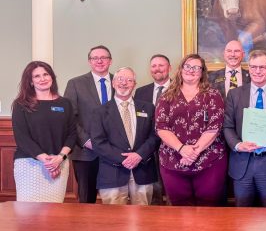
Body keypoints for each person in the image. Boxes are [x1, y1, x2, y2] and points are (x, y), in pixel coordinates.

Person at [155, 54, 227, 206]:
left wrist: (193, 153)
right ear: (181, 69)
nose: (191, 70)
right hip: (173, 161)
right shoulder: (166, 95)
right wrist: (182, 149)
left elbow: (214, 126)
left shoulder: (213, 95)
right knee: (180, 209)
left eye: (196, 67)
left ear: (202, 72)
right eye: (187, 66)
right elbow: (161, 126)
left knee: (209, 207)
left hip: (209, 161)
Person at [224, 49, 266, 207]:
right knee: (243, 212)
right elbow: (227, 126)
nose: (257, 71)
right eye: (253, 67)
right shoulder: (235, 94)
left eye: (262, 67)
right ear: (249, 68)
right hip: (242, 161)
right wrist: (238, 145)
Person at [90, 67, 160, 205]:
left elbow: (155, 136)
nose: (124, 83)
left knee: (143, 216)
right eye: (120, 79)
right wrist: (125, 159)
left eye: (129, 80)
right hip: (112, 172)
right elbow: (98, 142)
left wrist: (138, 155)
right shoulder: (100, 112)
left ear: (134, 84)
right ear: (113, 83)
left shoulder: (148, 108)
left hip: (143, 170)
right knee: (113, 217)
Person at [11, 61, 75, 202]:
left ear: (52, 77)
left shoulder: (65, 103)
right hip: (29, 164)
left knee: (54, 211)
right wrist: (47, 161)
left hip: (59, 162)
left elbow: (72, 134)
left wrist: (59, 158)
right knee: (28, 211)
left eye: (46, 74)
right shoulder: (21, 104)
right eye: (37, 76)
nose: (42, 79)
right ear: (31, 81)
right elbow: (22, 138)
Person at [64, 45, 114, 203]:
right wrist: (86, 141)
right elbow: (69, 117)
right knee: (86, 201)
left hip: (114, 151)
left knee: (115, 199)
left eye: (103, 57)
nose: (99, 61)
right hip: (86, 152)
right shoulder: (75, 83)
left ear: (110, 61)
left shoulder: (119, 81)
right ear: (89, 61)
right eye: (95, 58)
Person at [134, 54, 172, 205]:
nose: (157, 69)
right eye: (154, 66)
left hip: (173, 145)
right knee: (154, 189)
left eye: (161, 65)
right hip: (149, 146)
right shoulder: (141, 92)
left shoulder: (180, 88)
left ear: (169, 68)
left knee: (172, 188)